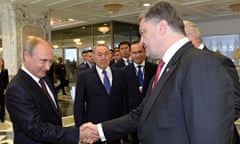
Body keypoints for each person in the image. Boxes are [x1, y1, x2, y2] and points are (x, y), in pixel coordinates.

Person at [80, 2, 235, 144]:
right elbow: (142, 114)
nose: (141, 41)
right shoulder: (166, 67)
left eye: (143, 32)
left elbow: (210, 135)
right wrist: (99, 130)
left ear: (162, 28)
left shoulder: (199, 63)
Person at [5, 36, 97, 144]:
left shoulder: (44, 78)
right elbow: (36, 128)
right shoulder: (17, 88)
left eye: (50, 61)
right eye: (43, 61)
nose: (48, 67)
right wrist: (77, 134)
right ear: (27, 56)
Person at [184, 20, 240, 144]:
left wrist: (209, 129)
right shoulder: (181, 64)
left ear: (190, 36)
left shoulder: (220, 61)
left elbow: (235, 104)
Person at [74, 44, 128, 144]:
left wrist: (125, 122)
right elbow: (79, 104)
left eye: (106, 54)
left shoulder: (120, 73)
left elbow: (124, 100)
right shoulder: (84, 76)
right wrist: (80, 127)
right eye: (99, 55)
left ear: (111, 55)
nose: (103, 58)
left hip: (116, 124)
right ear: (93, 57)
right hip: (94, 126)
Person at [123, 41, 156, 144]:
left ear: (145, 52)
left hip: (152, 112)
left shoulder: (155, 69)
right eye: (134, 53)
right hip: (132, 114)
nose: (137, 55)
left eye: (140, 52)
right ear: (130, 54)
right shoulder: (124, 71)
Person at [0, 57, 9, 122]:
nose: (0, 63)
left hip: (3, 90)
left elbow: (7, 81)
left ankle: (2, 116)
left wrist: (6, 89)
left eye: (1, 62)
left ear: (3, 63)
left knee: (2, 103)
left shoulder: (5, 71)